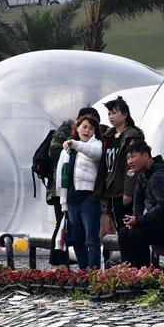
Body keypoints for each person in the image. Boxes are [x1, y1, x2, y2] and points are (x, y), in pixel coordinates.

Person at [118, 142, 164, 268]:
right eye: (128, 158)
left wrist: (139, 220)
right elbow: (138, 199)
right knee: (124, 232)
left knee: (137, 234)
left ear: (146, 156)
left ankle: (143, 274)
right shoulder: (143, 174)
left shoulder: (159, 176)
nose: (130, 161)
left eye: (133, 157)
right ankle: (129, 272)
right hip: (161, 221)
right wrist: (135, 218)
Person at [46, 106, 104, 268]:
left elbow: (95, 154)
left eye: (91, 128)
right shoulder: (67, 150)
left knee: (91, 239)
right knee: (77, 238)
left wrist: (75, 144)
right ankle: (84, 270)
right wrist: (63, 202)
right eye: (84, 126)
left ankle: (93, 272)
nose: (87, 130)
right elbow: (61, 177)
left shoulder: (95, 145)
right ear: (77, 128)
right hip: (71, 200)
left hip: (88, 198)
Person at [94, 96, 145, 259]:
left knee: (128, 226)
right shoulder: (108, 136)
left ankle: (133, 261)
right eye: (109, 113)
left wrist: (128, 191)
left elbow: (132, 166)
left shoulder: (132, 135)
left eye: (114, 113)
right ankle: (126, 261)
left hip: (123, 189)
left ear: (124, 114)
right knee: (118, 226)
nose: (110, 116)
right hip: (110, 189)